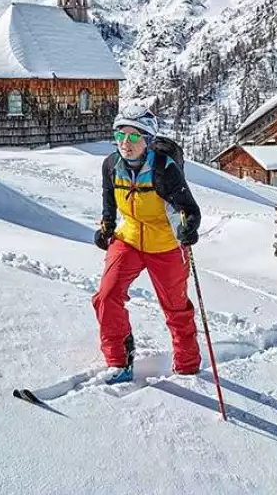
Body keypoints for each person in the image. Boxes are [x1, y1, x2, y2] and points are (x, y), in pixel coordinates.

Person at [91, 103, 202, 383]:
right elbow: (109, 201)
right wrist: (106, 227)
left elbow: (190, 208)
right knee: (106, 296)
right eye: (120, 136)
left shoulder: (164, 169)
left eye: (133, 136)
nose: (125, 144)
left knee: (176, 309)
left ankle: (188, 367)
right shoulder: (111, 165)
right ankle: (118, 361)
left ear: (148, 140)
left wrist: (189, 228)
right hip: (128, 239)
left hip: (165, 245)